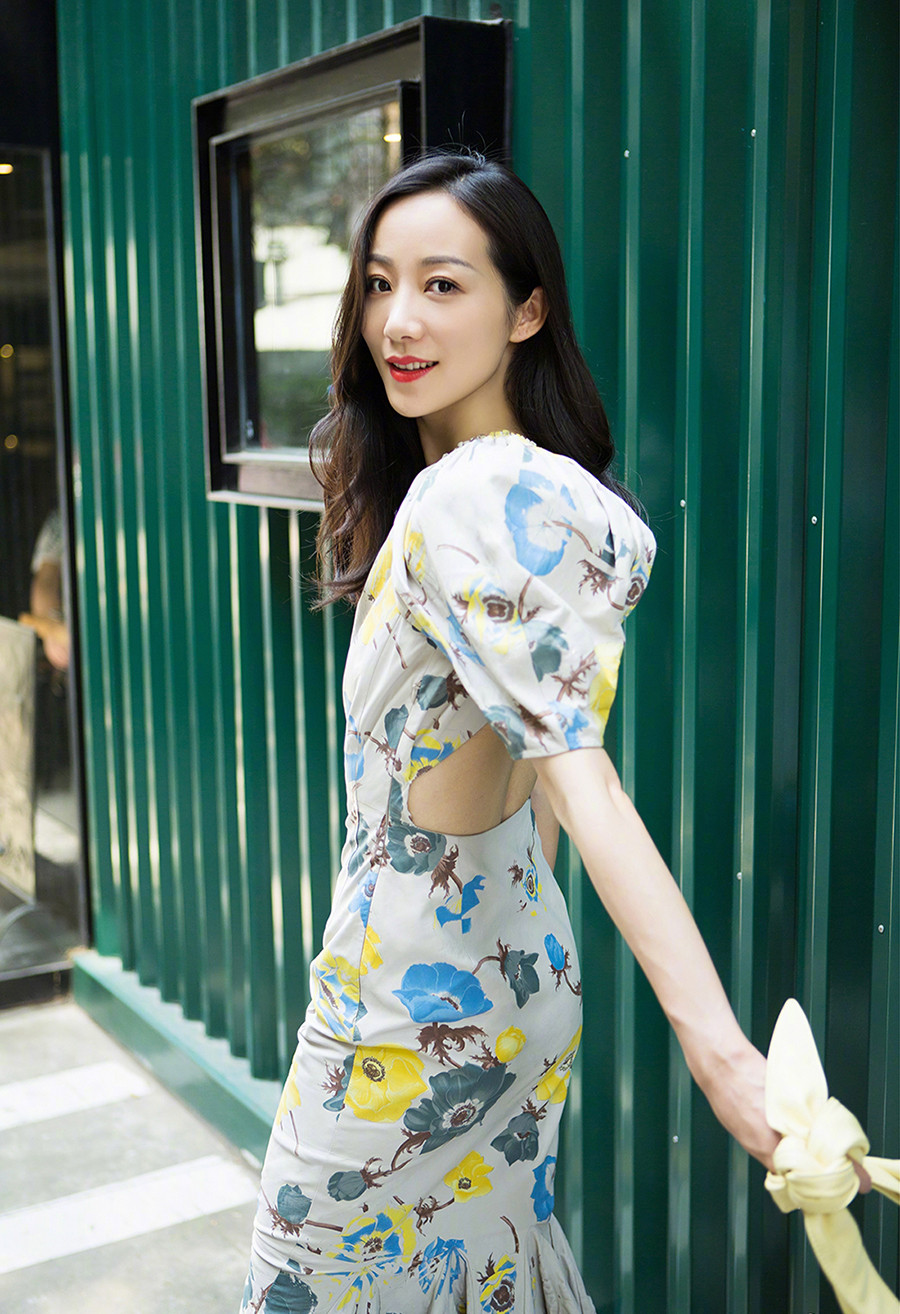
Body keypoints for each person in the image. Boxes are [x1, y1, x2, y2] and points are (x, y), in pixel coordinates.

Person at [240, 152, 779, 1314]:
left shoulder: (472, 496)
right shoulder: (530, 491)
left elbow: (578, 777)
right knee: (484, 1275)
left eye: (443, 284)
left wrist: (724, 1057)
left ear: (527, 310)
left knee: (310, 1281)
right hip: (513, 975)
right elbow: (531, 765)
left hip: (402, 1016)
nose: (398, 320)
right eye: (379, 284)